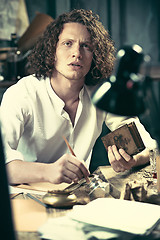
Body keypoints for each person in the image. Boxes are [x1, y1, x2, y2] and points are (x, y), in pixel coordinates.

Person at [0, 9, 156, 186]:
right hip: (27, 200)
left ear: (95, 56)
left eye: (86, 46)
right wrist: (48, 171)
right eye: (67, 43)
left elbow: (148, 146)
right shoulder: (22, 93)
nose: (77, 53)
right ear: (52, 50)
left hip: (78, 199)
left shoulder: (101, 93)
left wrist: (133, 159)